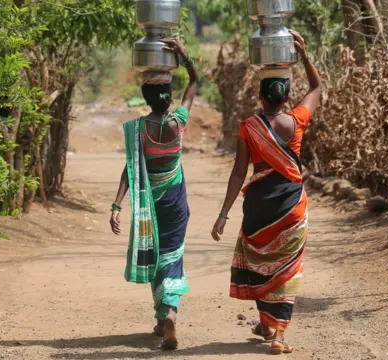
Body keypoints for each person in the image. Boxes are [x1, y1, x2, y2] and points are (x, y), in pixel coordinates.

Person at [211, 30, 322, 355]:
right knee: (288, 267)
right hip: (291, 208)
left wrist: (223, 214)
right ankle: (277, 334)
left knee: (260, 263)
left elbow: (238, 173)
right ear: (287, 98)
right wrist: (303, 55)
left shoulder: (249, 127)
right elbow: (316, 88)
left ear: (260, 96)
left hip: (258, 208)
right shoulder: (296, 121)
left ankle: (267, 322)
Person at [110, 37, 198, 351]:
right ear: (168, 97)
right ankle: (169, 312)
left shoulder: (139, 129)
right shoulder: (178, 123)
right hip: (175, 200)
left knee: (155, 255)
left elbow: (130, 168)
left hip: (149, 203)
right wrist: (184, 56)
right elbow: (195, 81)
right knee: (172, 255)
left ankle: (163, 317)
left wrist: (116, 205)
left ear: (146, 97)